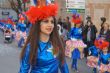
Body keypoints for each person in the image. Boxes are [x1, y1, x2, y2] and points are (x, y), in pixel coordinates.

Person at [19, 0, 69, 73]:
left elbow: (64, 66)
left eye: (52, 22)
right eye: (46, 21)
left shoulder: (57, 44)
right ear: (38, 24)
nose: (50, 25)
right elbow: (23, 71)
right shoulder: (31, 47)